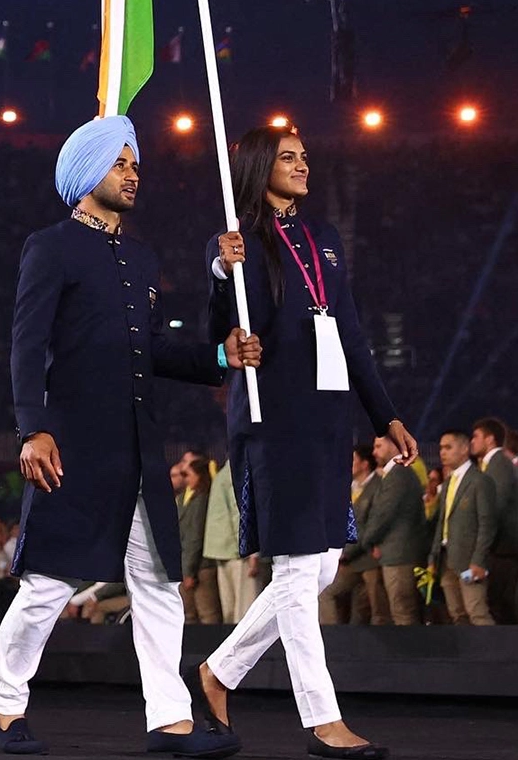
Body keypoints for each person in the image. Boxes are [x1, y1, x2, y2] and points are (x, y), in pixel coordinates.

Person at [0, 115, 260, 757]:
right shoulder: (49, 247)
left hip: (139, 445)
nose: (134, 174)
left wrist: (220, 358)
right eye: (121, 163)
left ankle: (170, 719)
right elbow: (26, 345)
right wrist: (33, 429)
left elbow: (152, 350)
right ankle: (2, 700)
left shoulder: (140, 256)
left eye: (136, 164)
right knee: (49, 583)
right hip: (72, 445)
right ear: (86, 173)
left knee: (159, 583)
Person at [191, 126, 418, 760]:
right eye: (288, 157)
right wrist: (219, 270)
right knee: (295, 566)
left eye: (304, 156)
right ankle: (323, 719)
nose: (302, 165)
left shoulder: (326, 241)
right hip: (271, 417)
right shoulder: (234, 243)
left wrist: (384, 416)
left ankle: (219, 672)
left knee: (318, 567)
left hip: (328, 419)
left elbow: (351, 334)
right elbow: (221, 331)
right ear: (261, 166)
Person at [428, 430, 497, 626]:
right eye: (441, 448)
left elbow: (487, 524)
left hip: (470, 560)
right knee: (457, 615)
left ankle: (493, 656)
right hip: (446, 558)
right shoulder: (449, 481)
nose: (442, 452)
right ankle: (469, 656)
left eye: (448, 447)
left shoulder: (480, 481)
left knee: (477, 613)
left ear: (465, 449)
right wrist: (433, 558)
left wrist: (479, 561)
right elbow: (442, 522)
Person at [359, 435, 425, 625]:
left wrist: (366, 541)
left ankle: (410, 654)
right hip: (397, 553)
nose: (374, 452)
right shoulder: (396, 473)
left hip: (400, 556)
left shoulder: (398, 474)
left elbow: (382, 514)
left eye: (378, 446)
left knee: (403, 612)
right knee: (400, 611)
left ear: (394, 445)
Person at [320, 446, 389, 626]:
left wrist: (347, 551)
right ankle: (332, 640)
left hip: (370, 559)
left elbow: (374, 524)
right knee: (326, 592)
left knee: (375, 610)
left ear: (365, 464)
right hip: (349, 560)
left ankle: (384, 653)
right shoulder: (348, 488)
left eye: (353, 460)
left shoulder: (380, 485)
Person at [204, 460, 266, 626]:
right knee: (246, 610)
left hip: (222, 550)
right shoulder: (239, 471)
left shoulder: (223, 473)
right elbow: (240, 511)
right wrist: (252, 552)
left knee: (230, 611)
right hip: (239, 553)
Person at [470, 418, 518, 623]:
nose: (471, 442)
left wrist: (481, 545)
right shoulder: (492, 465)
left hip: (502, 549)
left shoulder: (499, 464)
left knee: (502, 606)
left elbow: (493, 508)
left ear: (490, 439)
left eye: (475, 437)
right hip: (498, 547)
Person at [179, 458, 221, 624]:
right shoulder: (190, 498)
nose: (185, 479)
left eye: (187, 475)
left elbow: (195, 537)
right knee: (189, 615)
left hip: (200, 567)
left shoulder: (202, 500)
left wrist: (189, 571)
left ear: (199, 475)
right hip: (188, 565)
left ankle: (213, 650)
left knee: (208, 615)